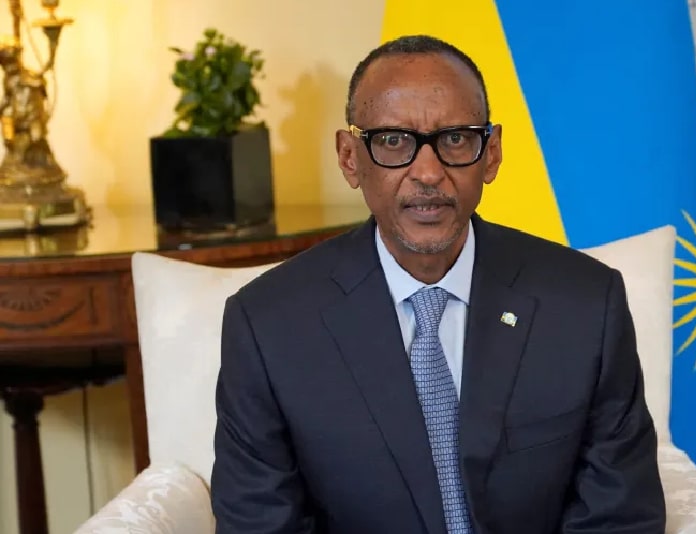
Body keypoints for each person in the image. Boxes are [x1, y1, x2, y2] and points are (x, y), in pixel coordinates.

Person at [210, 34, 666, 534]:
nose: (428, 172)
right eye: (392, 141)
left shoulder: (586, 305)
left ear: (491, 153)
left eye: (455, 139)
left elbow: (619, 516)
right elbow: (260, 524)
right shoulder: (268, 326)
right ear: (349, 157)